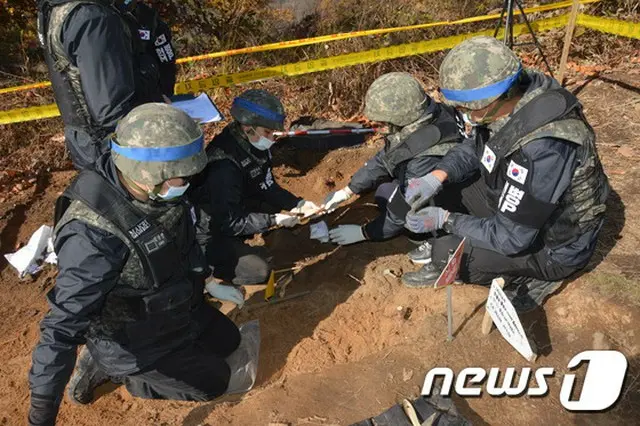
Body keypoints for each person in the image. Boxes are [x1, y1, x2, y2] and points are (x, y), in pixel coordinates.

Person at [28, 104, 245, 426]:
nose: (188, 181)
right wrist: (40, 417)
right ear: (148, 175)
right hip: (131, 338)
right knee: (215, 382)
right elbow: (60, 328)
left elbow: (182, 238)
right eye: (181, 176)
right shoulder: (92, 235)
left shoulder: (157, 188)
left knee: (230, 341)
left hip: (173, 306)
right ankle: (109, 367)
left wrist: (208, 279)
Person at [402, 36, 610, 310]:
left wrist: (446, 220)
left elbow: (510, 238)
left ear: (496, 98)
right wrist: (437, 175)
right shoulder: (515, 96)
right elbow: (474, 147)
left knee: (448, 253)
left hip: (555, 244)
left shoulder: (545, 148)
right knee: (446, 187)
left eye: (467, 108)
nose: (463, 114)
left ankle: (536, 276)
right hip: (519, 206)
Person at [322, 72, 463, 255]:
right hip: (438, 185)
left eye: (382, 123)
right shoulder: (429, 113)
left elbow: (404, 209)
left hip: (447, 207)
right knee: (384, 192)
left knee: (397, 207)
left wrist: (364, 232)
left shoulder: (425, 157)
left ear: (401, 118)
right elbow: (387, 157)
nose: (377, 127)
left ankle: (432, 241)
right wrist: (349, 190)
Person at [191, 89, 319, 287]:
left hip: (237, 205)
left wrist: (297, 203)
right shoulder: (223, 168)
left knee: (271, 206)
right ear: (247, 128)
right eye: (267, 132)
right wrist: (272, 221)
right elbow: (228, 221)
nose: (272, 138)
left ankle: (249, 241)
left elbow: (267, 186)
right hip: (210, 231)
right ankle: (210, 269)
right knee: (260, 271)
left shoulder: (256, 145)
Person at [37, 0, 177, 169]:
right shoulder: (95, 19)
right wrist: (160, 107)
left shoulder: (62, 8)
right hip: (121, 151)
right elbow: (112, 111)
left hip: (91, 145)